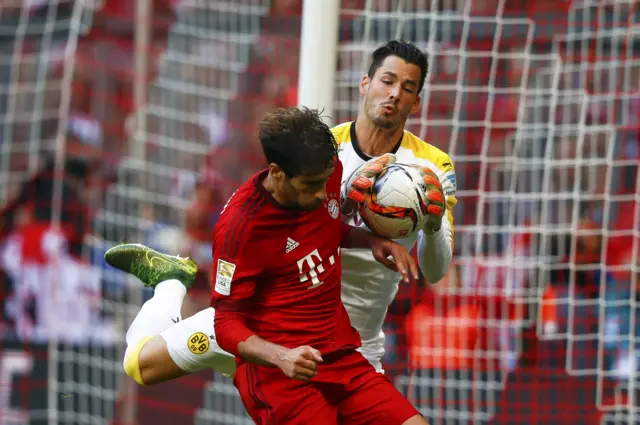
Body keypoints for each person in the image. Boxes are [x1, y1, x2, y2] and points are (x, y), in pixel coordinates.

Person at [107, 39, 455, 385]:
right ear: (365, 84)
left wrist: (434, 225)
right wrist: (348, 201)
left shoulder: (432, 168)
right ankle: (171, 282)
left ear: (417, 101)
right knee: (142, 365)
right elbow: (282, 228)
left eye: (407, 88)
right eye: (387, 80)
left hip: (354, 345)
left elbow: (435, 272)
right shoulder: (319, 150)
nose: (395, 93)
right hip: (271, 321)